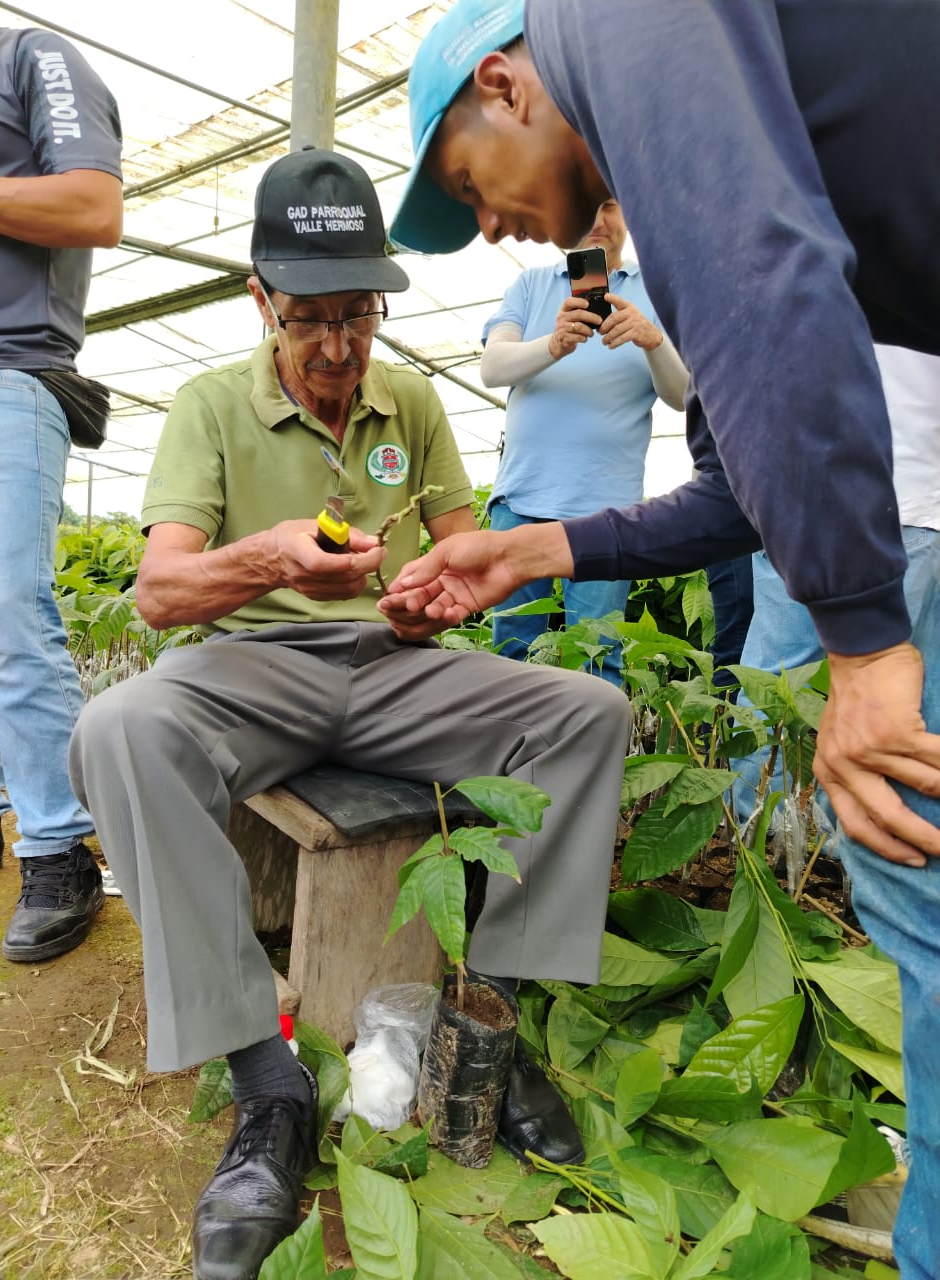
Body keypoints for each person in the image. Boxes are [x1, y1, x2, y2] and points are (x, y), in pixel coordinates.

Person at [383, 4, 940, 1275]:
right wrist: (532, 549)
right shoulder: (704, 108)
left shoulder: (620, 18)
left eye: (467, 186)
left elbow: (768, 283)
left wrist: (865, 650)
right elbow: (742, 484)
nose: (489, 227)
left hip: (913, 517)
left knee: (915, 881)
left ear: (503, 83)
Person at [68, 147, 631, 1280]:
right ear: (261, 299)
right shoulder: (210, 406)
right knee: (120, 728)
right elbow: (162, 592)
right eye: (311, 319)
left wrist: (444, 591)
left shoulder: (408, 398)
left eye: (358, 315)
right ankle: (264, 1082)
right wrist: (267, 559)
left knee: (587, 711)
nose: (337, 346)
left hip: (393, 659)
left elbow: (469, 542)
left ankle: (490, 1023)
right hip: (253, 661)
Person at [0, 5, 122, 957]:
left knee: (5, 608)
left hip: (5, 371)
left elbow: (92, 207)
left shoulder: (31, 56)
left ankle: (60, 850)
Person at [481, 197, 688, 684]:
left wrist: (653, 340)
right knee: (509, 653)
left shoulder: (658, 291)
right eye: (586, 207)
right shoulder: (531, 285)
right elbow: (492, 367)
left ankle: (586, 739)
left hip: (606, 511)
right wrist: (554, 344)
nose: (598, 221)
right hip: (522, 500)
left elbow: (682, 397)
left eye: (610, 206)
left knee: (598, 660)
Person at [735, 345, 940, 824]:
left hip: (796, 496)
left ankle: (755, 831)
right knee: (889, 695)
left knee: (775, 678)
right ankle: (853, 841)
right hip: (904, 498)